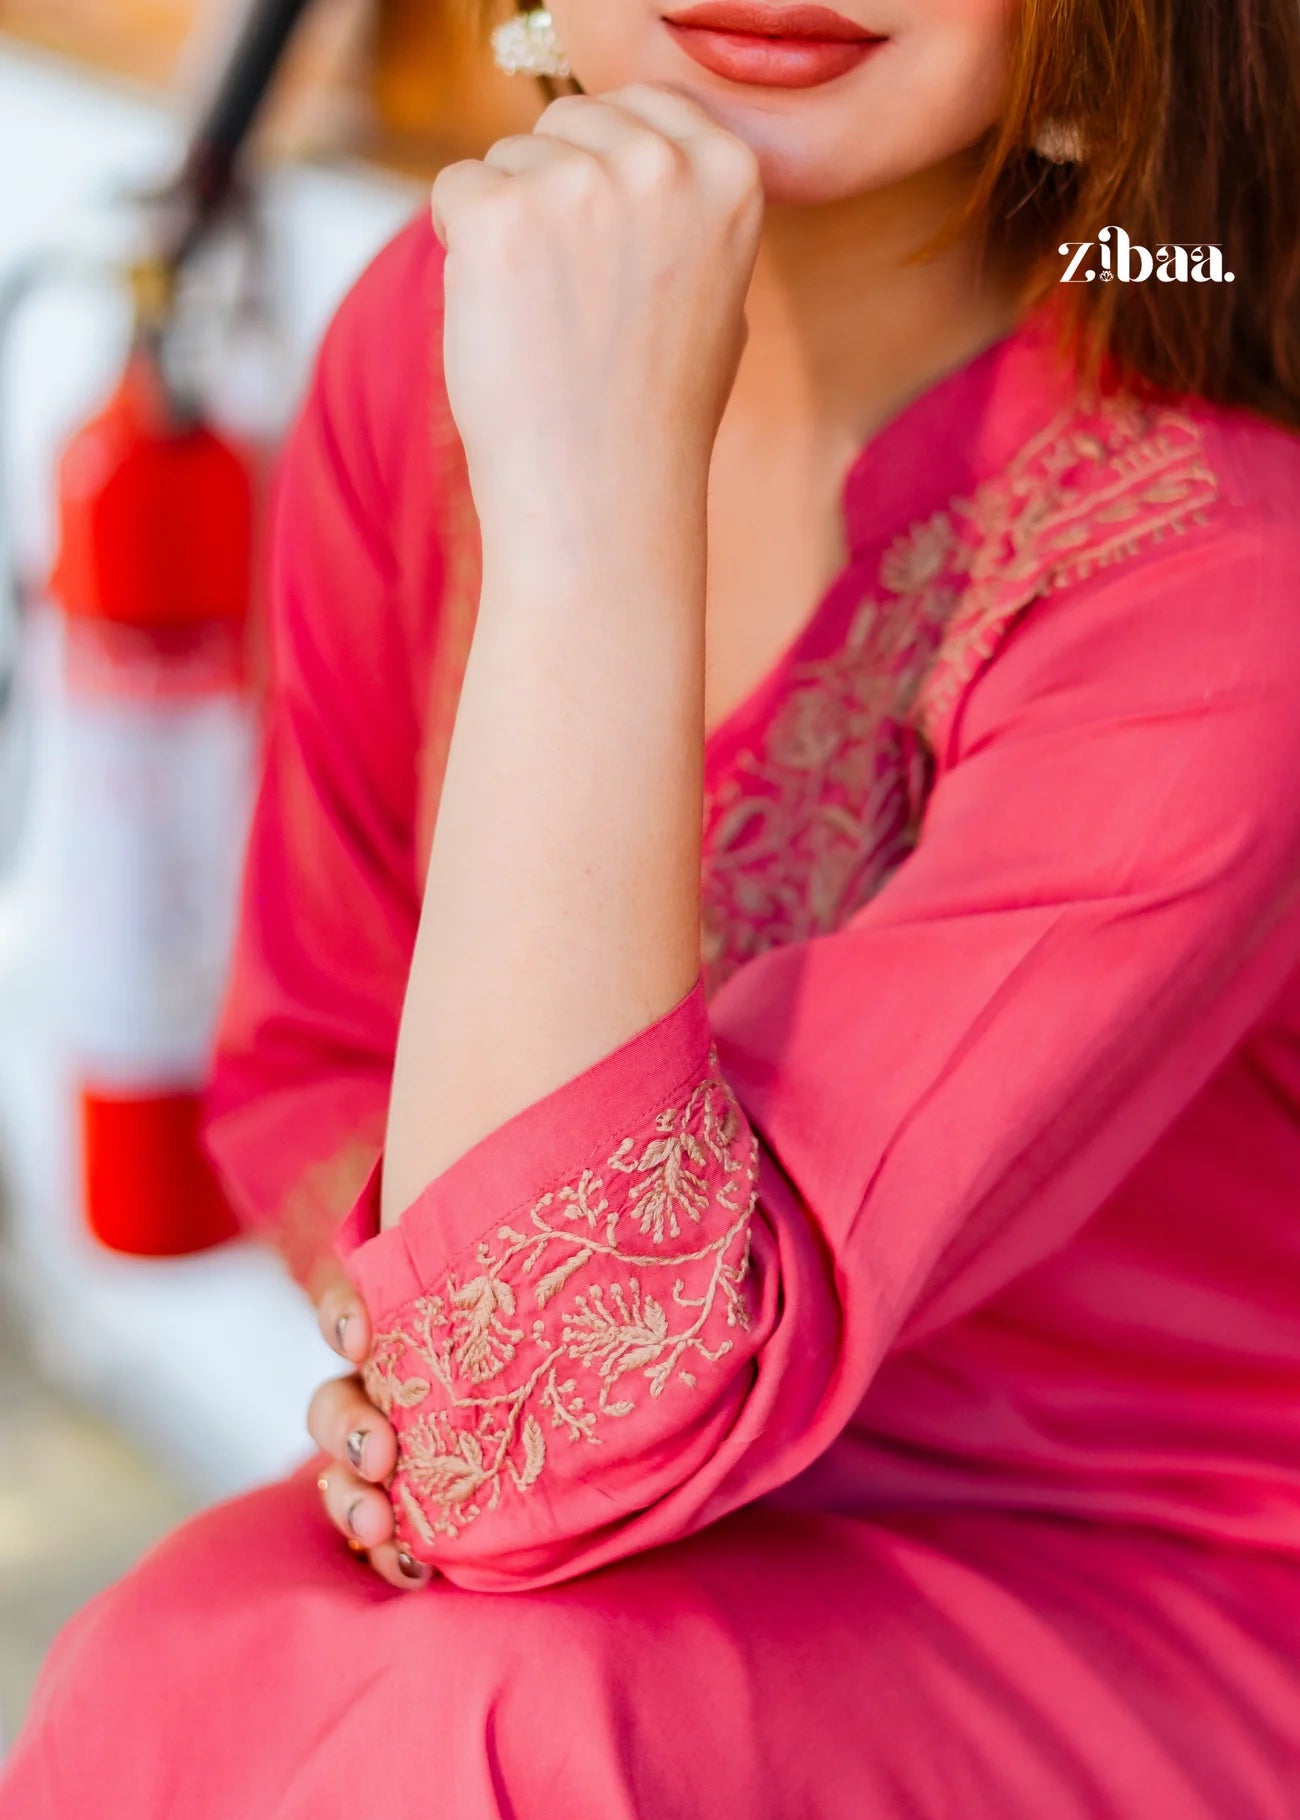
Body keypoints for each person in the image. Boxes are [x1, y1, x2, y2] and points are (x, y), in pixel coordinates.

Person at [5, 0, 1300, 1812]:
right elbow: (314, 1063)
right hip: (598, 1564)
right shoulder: (433, 335)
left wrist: (595, 508)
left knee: (509, 1713)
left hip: (1124, 1590)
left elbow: (524, 1425)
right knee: (180, 1657)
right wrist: (425, 1381)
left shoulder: (1218, 579)